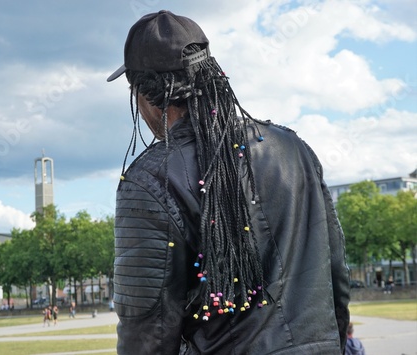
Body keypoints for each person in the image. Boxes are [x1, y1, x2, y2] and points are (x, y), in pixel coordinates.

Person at [107, 10, 351, 354]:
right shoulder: (292, 148)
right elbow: (335, 273)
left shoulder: (150, 179)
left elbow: (146, 330)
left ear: (144, 96)